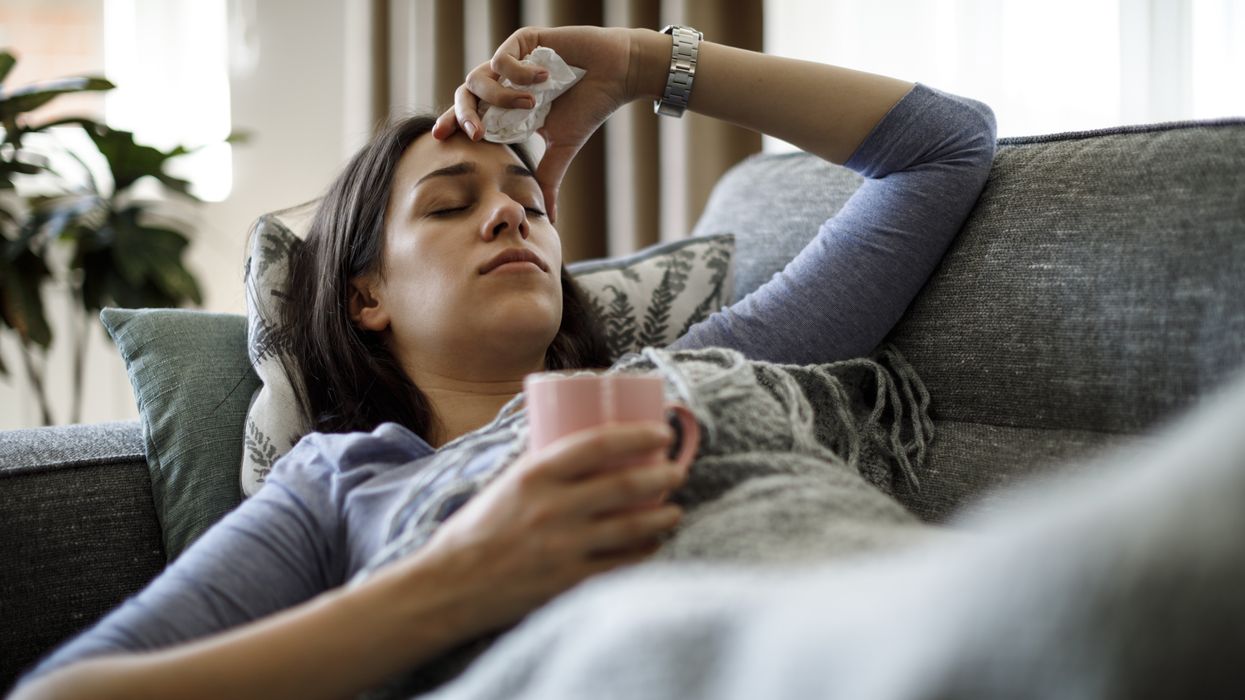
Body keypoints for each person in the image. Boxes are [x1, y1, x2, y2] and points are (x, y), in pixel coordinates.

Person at [12, 25, 996, 699]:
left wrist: (637, 64)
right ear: (368, 296)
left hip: (892, 630)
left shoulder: (677, 376)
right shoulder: (341, 479)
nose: (509, 213)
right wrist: (460, 575)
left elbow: (944, 150)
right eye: (449, 204)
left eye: (529, 200)